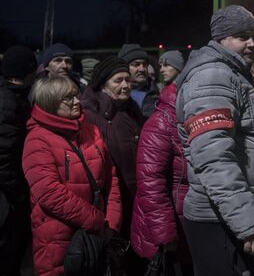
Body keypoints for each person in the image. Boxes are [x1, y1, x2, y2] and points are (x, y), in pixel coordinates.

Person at [176, 5, 254, 275]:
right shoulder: (212, 77)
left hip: (230, 217)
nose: (251, 44)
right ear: (220, 39)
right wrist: (248, 222)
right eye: (241, 36)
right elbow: (214, 159)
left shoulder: (234, 73)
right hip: (221, 221)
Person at [22, 76, 122, 276]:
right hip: (58, 238)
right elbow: (49, 193)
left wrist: (112, 221)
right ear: (50, 103)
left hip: (101, 234)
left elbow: (111, 179)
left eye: (76, 95)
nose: (77, 101)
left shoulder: (91, 130)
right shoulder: (37, 139)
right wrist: (96, 221)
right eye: (68, 98)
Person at [80, 56, 146, 274]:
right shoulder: (90, 115)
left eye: (128, 80)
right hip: (110, 203)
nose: (126, 85)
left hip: (136, 198)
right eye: (118, 80)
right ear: (103, 83)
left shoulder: (132, 111)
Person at [131, 79, 191, 271]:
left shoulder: (195, 116)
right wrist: (165, 234)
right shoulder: (161, 122)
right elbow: (150, 183)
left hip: (189, 225)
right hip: (170, 231)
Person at [0, 46, 37, 275]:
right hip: (7, 197)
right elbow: (2, 158)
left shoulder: (14, 96)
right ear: (28, 72)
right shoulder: (8, 103)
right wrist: (19, 193)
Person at [117, 44, 159, 118]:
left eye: (144, 64)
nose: (142, 69)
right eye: (136, 64)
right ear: (124, 67)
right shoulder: (112, 94)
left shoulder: (156, 94)